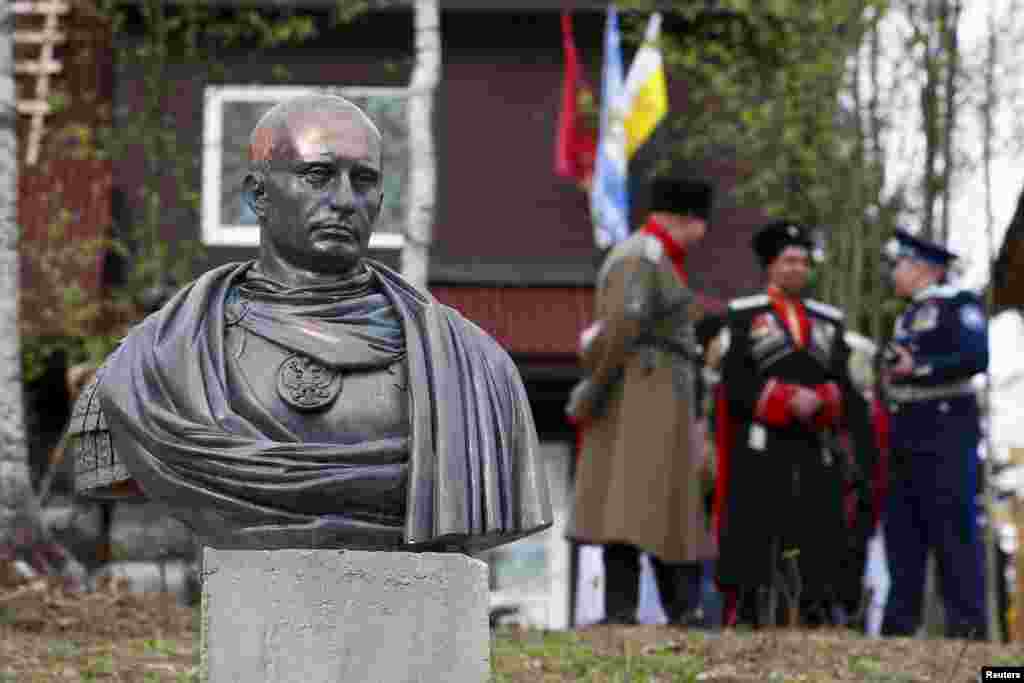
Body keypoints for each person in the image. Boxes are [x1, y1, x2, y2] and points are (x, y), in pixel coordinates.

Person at [67, 94, 552, 553]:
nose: (344, 200)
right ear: (258, 194)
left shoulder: (474, 368)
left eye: (363, 180)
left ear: (380, 200)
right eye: (317, 175)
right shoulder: (151, 365)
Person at [566, 177, 715, 626]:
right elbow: (622, 326)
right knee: (635, 505)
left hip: (656, 389)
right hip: (640, 390)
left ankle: (674, 610)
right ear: (689, 219)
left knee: (663, 504)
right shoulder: (641, 257)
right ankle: (628, 610)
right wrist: (592, 389)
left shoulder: (654, 257)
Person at [713, 220, 875, 628]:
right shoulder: (744, 315)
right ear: (770, 265)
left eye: (803, 261)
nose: (797, 269)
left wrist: (823, 400)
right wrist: (784, 400)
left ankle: (814, 612)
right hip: (763, 443)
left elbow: (845, 383)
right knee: (757, 529)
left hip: (814, 442)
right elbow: (734, 382)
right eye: (788, 261)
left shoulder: (828, 320)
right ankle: (750, 613)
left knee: (818, 530)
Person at [880, 229, 989, 640]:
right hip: (907, 427)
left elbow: (977, 356)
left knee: (953, 531)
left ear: (924, 268)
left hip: (945, 431)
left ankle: (968, 631)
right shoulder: (907, 312)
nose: (895, 272)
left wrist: (920, 367)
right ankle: (899, 628)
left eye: (901, 264)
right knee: (903, 532)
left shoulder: (957, 302)